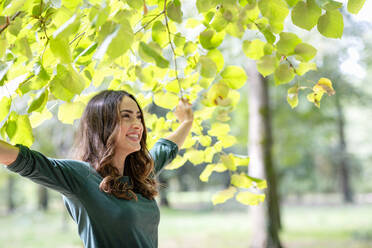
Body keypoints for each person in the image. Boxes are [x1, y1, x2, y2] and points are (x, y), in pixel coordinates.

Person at [0, 90, 194, 248]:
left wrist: (186, 122)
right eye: (126, 117)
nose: (137, 125)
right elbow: (26, 161)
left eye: (138, 117)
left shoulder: (141, 173)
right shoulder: (81, 177)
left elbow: (166, 148)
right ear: (103, 124)